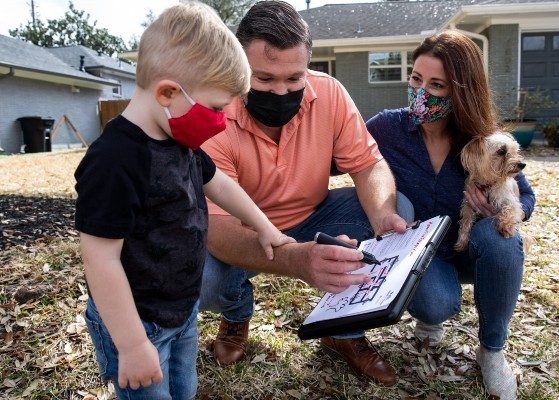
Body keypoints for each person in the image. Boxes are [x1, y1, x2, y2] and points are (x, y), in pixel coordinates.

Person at [74, 4, 294, 399]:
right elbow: (100, 259)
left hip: (182, 308)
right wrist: (131, 345)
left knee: (183, 391)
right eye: (214, 108)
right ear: (168, 92)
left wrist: (266, 228)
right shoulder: (115, 161)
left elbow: (221, 186)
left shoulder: (179, 141)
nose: (221, 120)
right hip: (137, 324)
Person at [199, 0, 411, 386]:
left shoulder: (329, 93)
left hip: (314, 215)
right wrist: (296, 260)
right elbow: (217, 228)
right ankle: (235, 312)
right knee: (202, 279)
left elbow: (367, 164)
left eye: (294, 79)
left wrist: (382, 215)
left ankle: (343, 330)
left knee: (397, 209)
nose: (281, 91)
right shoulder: (212, 111)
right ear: (238, 67)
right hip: (242, 227)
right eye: (263, 79)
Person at [366, 30, 535, 399]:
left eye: (436, 84)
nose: (421, 91)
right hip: (424, 255)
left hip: (476, 249)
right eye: (416, 78)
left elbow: (526, 198)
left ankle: (492, 351)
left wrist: (497, 211)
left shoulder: (484, 140)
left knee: (501, 237)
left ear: (460, 90)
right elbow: (336, 158)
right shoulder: (385, 129)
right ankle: (430, 318)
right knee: (437, 304)